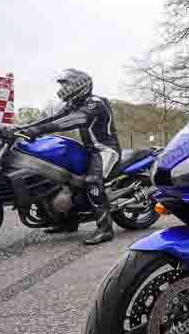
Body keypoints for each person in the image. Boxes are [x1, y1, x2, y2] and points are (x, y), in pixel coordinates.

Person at [18, 69, 121, 245]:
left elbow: (76, 120)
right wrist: (23, 128)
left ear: (80, 85)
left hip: (105, 150)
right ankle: (68, 222)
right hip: (88, 150)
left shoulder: (95, 103)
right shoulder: (75, 103)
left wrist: (38, 130)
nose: (63, 88)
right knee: (64, 179)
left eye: (66, 84)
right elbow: (55, 117)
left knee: (92, 181)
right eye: (62, 85)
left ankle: (105, 229)